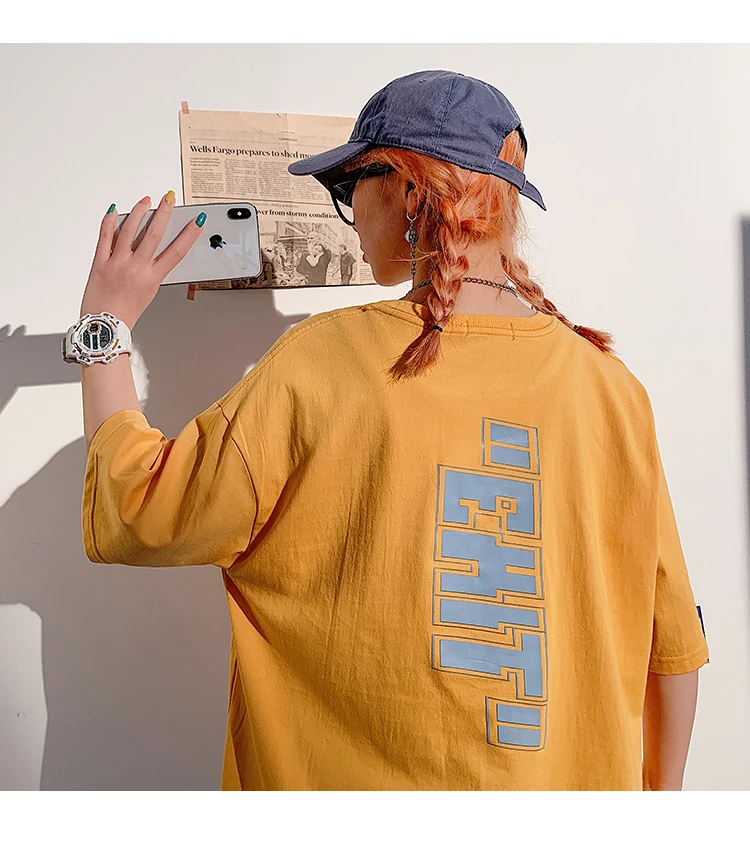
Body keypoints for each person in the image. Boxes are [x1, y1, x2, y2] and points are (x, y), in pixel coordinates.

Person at [79, 70, 708, 791]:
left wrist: (105, 325)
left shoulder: (323, 363)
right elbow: (672, 646)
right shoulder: (612, 391)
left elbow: (139, 510)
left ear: (409, 192)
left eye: (350, 187)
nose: (350, 213)